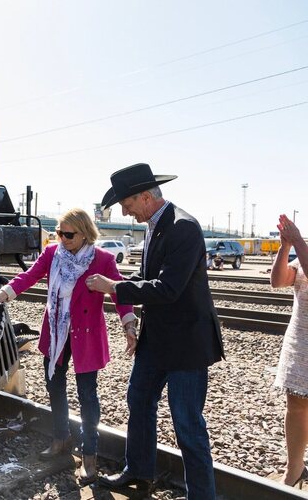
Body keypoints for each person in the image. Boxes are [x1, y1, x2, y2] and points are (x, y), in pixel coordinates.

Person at [85, 163, 224, 499]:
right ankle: (139, 470)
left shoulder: (184, 228)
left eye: (126, 203)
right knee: (139, 400)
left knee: (187, 424)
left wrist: (115, 289)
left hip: (186, 346)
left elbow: (168, 288)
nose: (124, 210)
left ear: (145, 196)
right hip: (157, 341)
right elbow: (149, 277)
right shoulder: (155, 225)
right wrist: (116, 284)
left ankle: (201, 496)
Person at [0, 208, 138, 484]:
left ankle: (89, 456)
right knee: (54, 385)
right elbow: (29, 276)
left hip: (86, 335)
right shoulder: (52, 254)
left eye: (68, 234)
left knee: (87, 395)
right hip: (56, 333)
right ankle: (61, 439)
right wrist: (3, 294)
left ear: (84, 234)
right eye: (59, 233)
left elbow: (121, 293)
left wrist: (129, 324)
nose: (62, 239)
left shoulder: (102, 260)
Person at [271, 214, 308, 487]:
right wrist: (285, 246)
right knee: (295, 406)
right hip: (301, 344)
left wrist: (297, 241)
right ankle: (294, 471)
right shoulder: (303, 252)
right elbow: (279, 280)